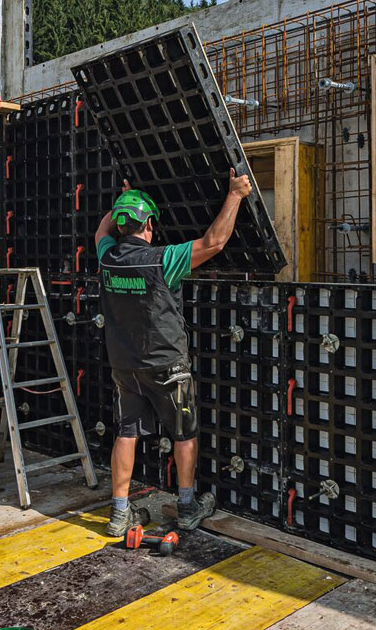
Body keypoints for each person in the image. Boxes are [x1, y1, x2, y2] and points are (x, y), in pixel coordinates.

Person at [94, 168, 253, 536]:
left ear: (120, 225)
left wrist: (122, 201)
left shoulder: (107, 258)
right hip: (167, 365)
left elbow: (101, 231)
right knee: (184, 432)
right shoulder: (164, 259)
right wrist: (235, 195)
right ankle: (186, 506)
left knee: (126, 432)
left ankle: (119, 513)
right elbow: (213, 242)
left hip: (125, 365)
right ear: (148, 225)